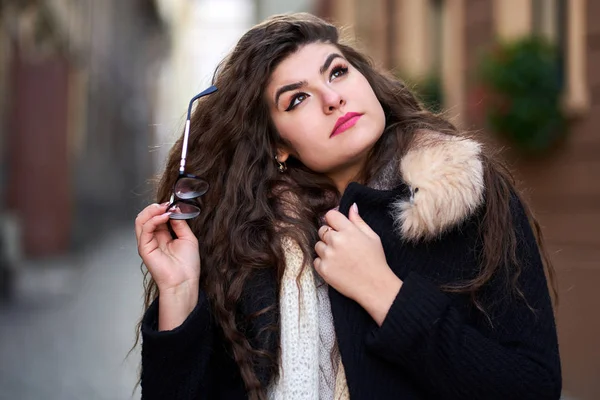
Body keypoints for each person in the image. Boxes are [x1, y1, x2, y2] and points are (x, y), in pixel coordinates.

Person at [134, 12, 562, 400]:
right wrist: (179, 294)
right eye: (296, 99)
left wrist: (386, 296)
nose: (332, 98)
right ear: (278, 146)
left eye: (337, 72)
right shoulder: (248, 248)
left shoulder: (466, 197)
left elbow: (533, 385)